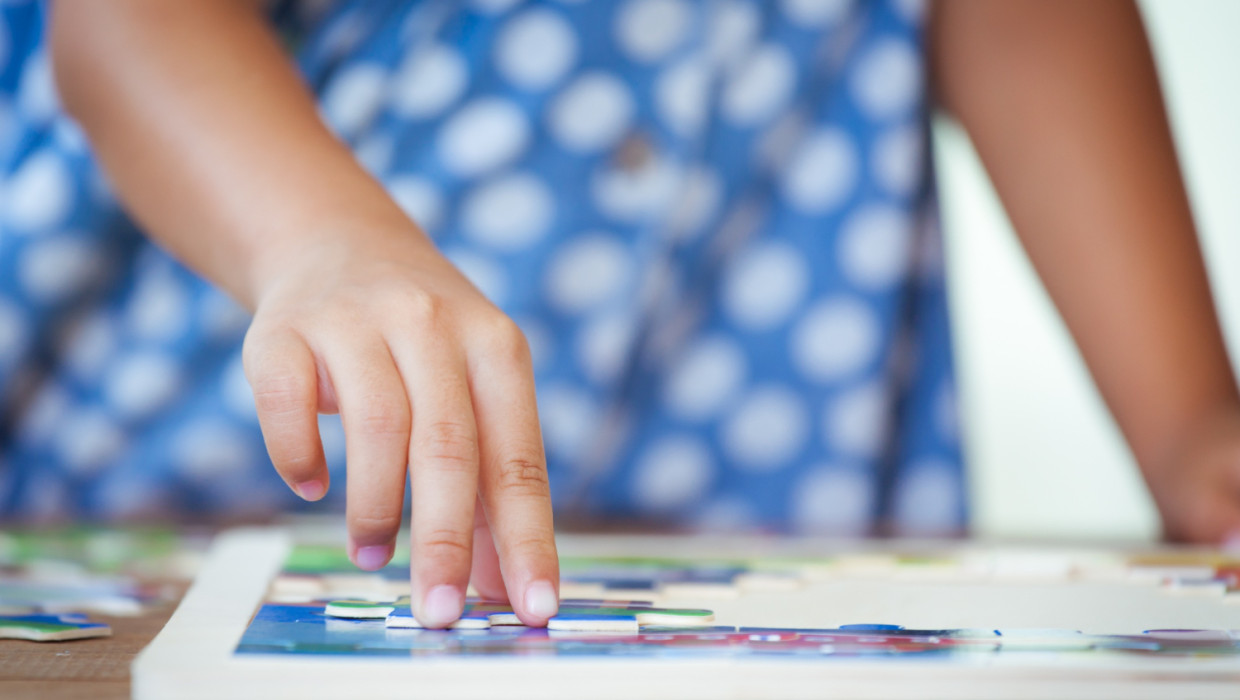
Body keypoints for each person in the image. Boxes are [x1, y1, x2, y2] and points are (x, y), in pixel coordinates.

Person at [1, 0, 1237, 628]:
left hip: (764, 534)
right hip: (169, 491)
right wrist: (319, 241)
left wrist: (1193, 432)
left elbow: (1027, 23)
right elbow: (121, 24)